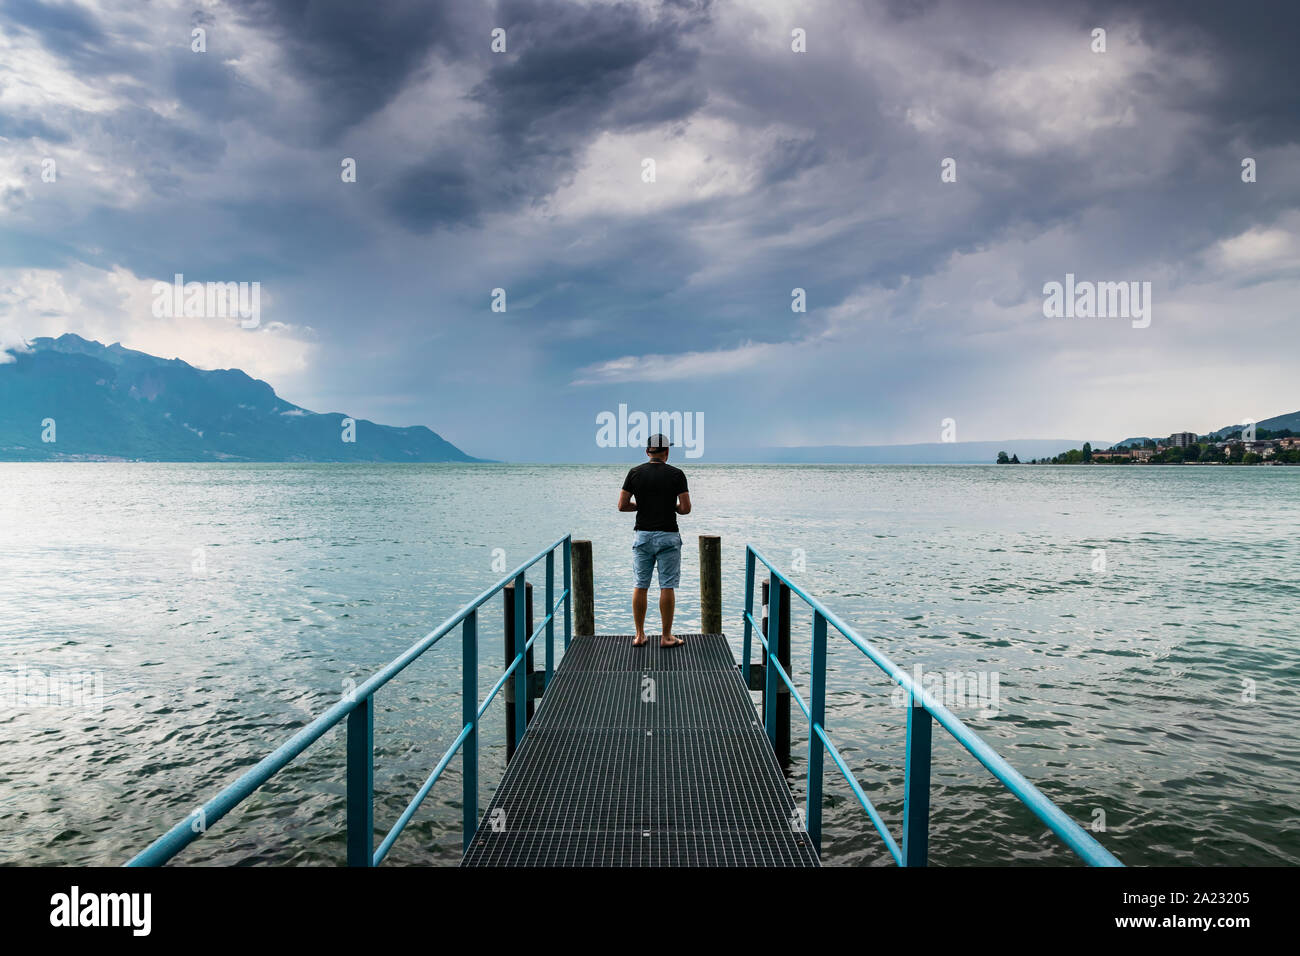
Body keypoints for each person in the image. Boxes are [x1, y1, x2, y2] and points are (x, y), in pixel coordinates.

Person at [617, 434, 691, 647]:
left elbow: (622, 505)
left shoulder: (634, 473)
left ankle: (639, 635)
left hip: (643, 535)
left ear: (647, 452)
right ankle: (666, 637)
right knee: (667, 586)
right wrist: (671, 507)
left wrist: (642, 505)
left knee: (640, 585)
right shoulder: (677, 474)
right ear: (667, 452)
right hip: (668, 535)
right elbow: (685, 509)